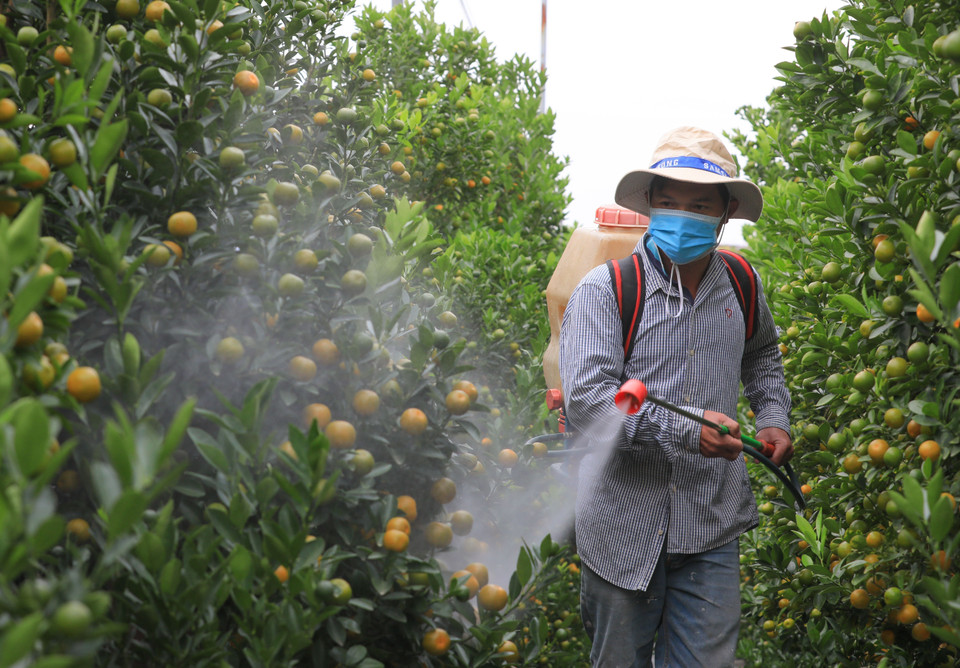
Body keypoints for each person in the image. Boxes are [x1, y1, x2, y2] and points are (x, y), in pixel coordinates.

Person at [558, 126, 793, 667]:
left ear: (725, 210)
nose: (682, 215)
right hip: (622, 529)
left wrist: (773, 417)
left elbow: (762, 354)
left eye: (698, 204)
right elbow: (592, 403)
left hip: (710, 525)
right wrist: (689, 430)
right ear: (650, 206)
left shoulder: (741, 282)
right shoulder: (606, 290)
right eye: (669, 202)